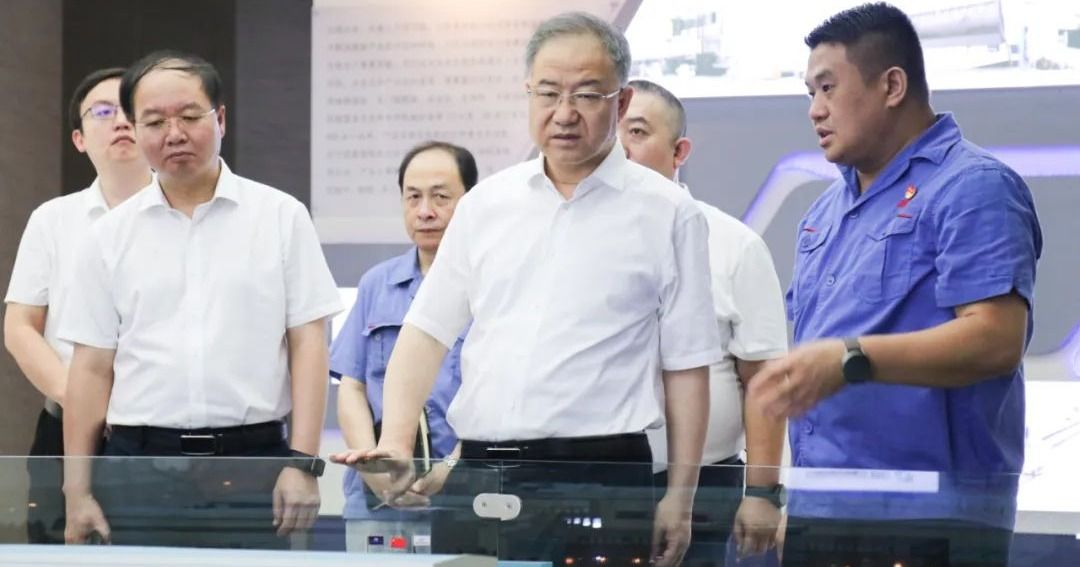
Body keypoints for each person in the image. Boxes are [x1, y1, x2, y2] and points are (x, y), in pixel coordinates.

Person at [333, 12, 722, 567]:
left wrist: (680, 498)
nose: (564, 113)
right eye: (548, 92)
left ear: (621, 101)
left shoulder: (668, 213)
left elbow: (686, 367)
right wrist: (395, 440)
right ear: (528, 93)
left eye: (586, 94)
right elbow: (424, 333)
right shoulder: (486, 205)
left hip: (600, 477)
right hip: (479, 474)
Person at [749, 4, 1042, 566]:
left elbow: (995, 340)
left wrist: (850, 359)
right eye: (809, 93)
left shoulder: (973, 187)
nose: (814, 110)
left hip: (931, 522)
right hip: (821, 512)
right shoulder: (824, 212)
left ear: (892, 86)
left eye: (828, 87)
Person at [58, 51, 341, 548]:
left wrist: (303, 463)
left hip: (253, 464)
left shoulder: (280, 217)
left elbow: (309, 344)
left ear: (221, 118)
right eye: (154, 122)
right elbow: (90, 368)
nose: (174, 133)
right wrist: (76, 491)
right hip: (139, 467)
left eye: (190, 116)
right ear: (136, 129)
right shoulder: (108, 236)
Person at [620, 78, 788, 564]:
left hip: (707, 487)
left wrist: (763, 491)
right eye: (612, 133)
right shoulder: (577, 242)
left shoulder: (735, 245)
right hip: (600, 479)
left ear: (680, 151)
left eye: (637, 132)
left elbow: (763, 380)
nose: (619, 148)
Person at [3, 67, 152, 544]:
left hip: (155, 434)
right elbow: (20, 326)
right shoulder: (53, 220)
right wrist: (79, 399)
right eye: (103, 112)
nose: (121, 122)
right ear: (79, 139)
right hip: (62, 422)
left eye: (131, 110)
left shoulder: (184, 216)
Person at [331, 141, 477, 552]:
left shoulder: (490, 286)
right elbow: (352, 385)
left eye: (441, 197)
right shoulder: (377, 283)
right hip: (378, 501)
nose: (425, 211)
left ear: (471, 202)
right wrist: (374, 471)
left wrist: (451, 468)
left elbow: (498, 394)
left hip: (467, 495)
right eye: (413, 197)